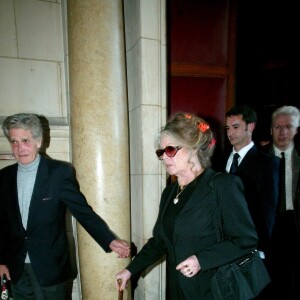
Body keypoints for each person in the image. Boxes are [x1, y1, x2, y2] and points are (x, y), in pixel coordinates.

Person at [115, 112, 259, 299]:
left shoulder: (223, 185)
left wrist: (201, 260)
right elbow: (159, 240)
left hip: (213, 289)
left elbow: (245, 239)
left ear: (193, 148)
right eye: (161, 152)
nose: (164, 158)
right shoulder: (169, 193)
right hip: (178, 289)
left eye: (170, 150)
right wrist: (130, 271)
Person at [0, 113, 130, 300]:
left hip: (50, 268)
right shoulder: (4, 177)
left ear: (39, 141)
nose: (20, 148)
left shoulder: (59, 173)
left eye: (26, 140)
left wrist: (109, 240)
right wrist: (1, 261)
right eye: (14, 142)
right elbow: (2, 223)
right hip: (17, 268)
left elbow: (83, 212)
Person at [224, 104, 279, 282]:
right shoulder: (218, 160)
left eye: (236, 127)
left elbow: (268, 211)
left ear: (251, 127)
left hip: (251, 246)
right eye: (227, 128)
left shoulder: (268, 164)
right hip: (222, 245)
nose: (230, 132)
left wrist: (260, 248)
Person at [260, 105, 300, 299]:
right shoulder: (259, 159)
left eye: (288, 127)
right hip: (268, 225)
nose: (283, 132)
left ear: (296, 129)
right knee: (268, 279)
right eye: (278, 127)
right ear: (270, 129)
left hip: (295, 223)